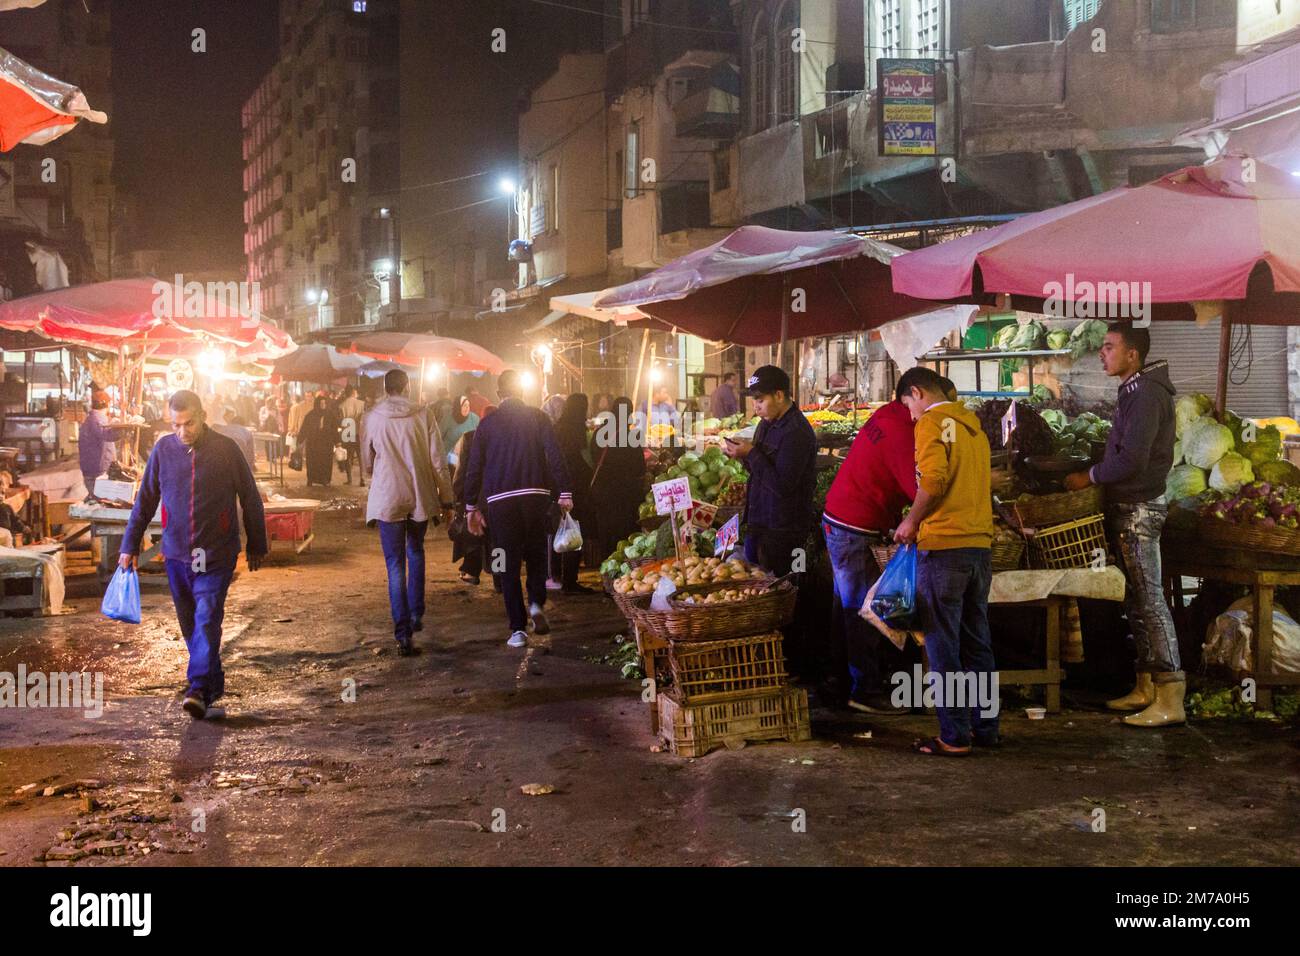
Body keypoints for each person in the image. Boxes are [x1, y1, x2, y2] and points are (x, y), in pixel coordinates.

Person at [119, 390, 267, 720]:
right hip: (176, 553)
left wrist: (257, 543)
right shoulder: (163, 450)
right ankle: (211, 685)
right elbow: (145, 501)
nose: (182, 431)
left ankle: (198, 687)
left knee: (208, 615)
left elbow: (251, 497)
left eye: (188, 424)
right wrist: (129, 545)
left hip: (217, 552)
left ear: (202, 416)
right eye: (176, 425)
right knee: (190, 623)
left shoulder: (227, 450)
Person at [1065, 323, 1182, 728]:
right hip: (1128, 507)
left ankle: (1171, 698)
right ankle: (1146, 686)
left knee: (1150, 601)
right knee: (1135, 601)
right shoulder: (1135, 390)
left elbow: (1132, 459)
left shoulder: (1147, 394)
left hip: (1139, 509)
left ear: (1133, 354)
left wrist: (1090, 476)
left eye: (1110, 347)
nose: (1102, 353)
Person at [893, 367, 997, 756]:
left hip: (945, 547)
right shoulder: (972, 425)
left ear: (917, 392)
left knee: (942, 645)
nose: (911, 416)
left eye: (908, 406)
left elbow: (933, 481)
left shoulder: (932, 422)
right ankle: (985, 729)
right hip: (978, 547)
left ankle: (954, 736)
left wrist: (910, 520)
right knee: (977, 643)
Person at [822, 394, 920, 714]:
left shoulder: (886, 415)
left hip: (841, 520)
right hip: (854, 526)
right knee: (863, 610)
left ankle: (838, 682)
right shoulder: (901, 430)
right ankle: (864, 689)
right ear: (913, 396)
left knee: (845, 607)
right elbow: (918, 490)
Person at [462, 369, 573, 648]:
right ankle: (536, 604)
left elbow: (473, 467)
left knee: (506, 564)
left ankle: (517, 630)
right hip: (536, 498)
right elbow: (555, 455)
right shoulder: (539, 417)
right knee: (536, 554)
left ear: (499, 395)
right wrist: (565, 492)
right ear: (522, 392)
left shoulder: (487, 425)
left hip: (500, 504)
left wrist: (469, 504)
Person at [724, 365, 817, 675]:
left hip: (785, 529)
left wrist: (750, 455)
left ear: (780, 395)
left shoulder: (797, 433)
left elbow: (783, 485)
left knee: (782, 598)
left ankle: (791, 666)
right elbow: (760, 474)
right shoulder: (766, 424)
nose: (756, 407)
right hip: (760, 522)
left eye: (761, 400)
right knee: (757, 595)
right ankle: (762, 661)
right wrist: (742, 454)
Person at [361, 369, 454, 655]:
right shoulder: (424, 414)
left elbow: (366, 460)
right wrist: (447, 499)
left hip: (387, 497)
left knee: (394, 563)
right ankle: (416, 614)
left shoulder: (371, 417)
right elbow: (438, 461)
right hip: (418, 496)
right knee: (416, 551)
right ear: (408, 386)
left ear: (385, 388)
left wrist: (374, 472)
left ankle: (402, 633)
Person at [590, 395, 646, 559]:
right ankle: (622, 569)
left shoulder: (599, 432)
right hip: (625, 494)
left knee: (606, 530)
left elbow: (594, 456)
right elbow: (640, 468)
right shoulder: (631, 436)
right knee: (624, 532)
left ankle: (606, 564)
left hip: (603, 491)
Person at [553, 393, 596, 594]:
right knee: (573, 533)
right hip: (576, 489)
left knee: (557, 531)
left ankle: (556, 576)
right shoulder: (579, 431)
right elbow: (586, 460)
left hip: (556, 488)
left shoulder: (556, 428)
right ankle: (570, 581)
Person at [78, 389, 120, 498]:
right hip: (97, 473)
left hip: (93, 471)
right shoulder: (98, 419)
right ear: (107, 404)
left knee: (98, 501)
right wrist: (124, 429)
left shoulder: (93, 418)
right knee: (102, 502)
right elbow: (108, 435)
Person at [297, 396, 338, 487]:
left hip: (326, 443)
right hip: (313, 443)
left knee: (325, 462)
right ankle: (311, 479)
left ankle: (325, 480)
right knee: (312, 462)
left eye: (324, 403)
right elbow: (305, 428)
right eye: (321, 404)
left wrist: (337, 441)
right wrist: (300, 440)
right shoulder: (310, 415)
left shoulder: (330, 415)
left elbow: (334, 429)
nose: (323, 405)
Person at [438, 395, 480, 465]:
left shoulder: (475, 419)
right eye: (464, 405)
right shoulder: (448, 419)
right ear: (458, 406)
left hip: (467, 460)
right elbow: (438, 438)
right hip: (449, 459)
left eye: (468, 405)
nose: (467, 408)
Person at [337, 386, 367, 485]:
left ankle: (349, 479)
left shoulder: (342, 406)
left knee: (348, 457)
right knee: (360, 457)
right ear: (354, 393)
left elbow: (340, 421)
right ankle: (362, 478)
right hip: (359, 433)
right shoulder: (362, 404)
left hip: (348, 433)